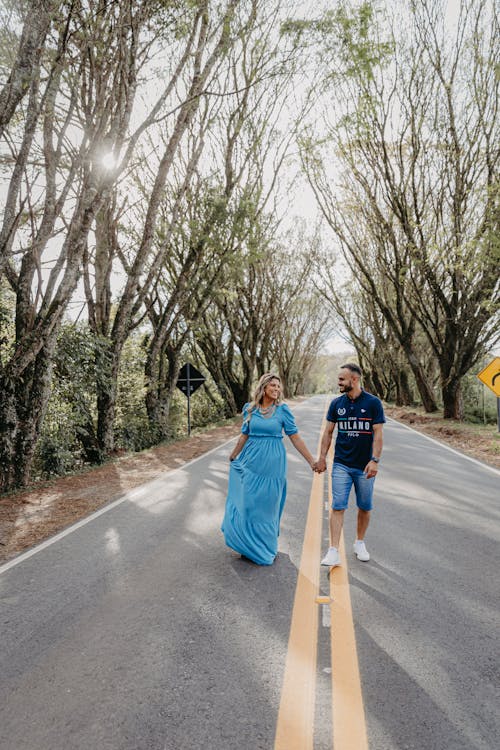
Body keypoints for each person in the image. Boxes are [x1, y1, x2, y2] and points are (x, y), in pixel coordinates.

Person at [221, 373, 316, 565]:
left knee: (267, 506)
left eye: (278, 386)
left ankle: (264, 547)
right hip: (249, 461)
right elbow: (243, 436)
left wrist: (311, 461)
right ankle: (246, 545)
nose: (276, 389)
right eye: (272, 385)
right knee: (247, 503)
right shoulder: (249, 409)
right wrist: (233, 455)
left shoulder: (283, 410)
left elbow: (295, 437)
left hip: (273, 464)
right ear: (263, 387)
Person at [316, 363, 385, 567]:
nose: (338, 382)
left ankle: (359, 543)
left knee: (364, 506)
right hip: (341, 464)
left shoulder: (373, 403)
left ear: (354, 380)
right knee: (338, 506)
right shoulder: (337, 404)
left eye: (341, 379)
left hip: (365, 466)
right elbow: (328, 432)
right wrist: (321, 458)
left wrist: (375, 460)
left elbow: (378, 435)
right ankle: (333, 550)